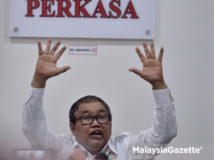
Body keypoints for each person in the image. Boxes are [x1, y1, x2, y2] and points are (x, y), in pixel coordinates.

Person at [22, 38, 177, 160]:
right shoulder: (61, 149)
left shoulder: (128, 148)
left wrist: (158, 84)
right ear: (72, 127)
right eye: (87, 117)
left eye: (102, 117)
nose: (96, 123)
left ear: (110, 123)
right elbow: (33, 130)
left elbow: (165, 133)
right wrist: (39, 80)